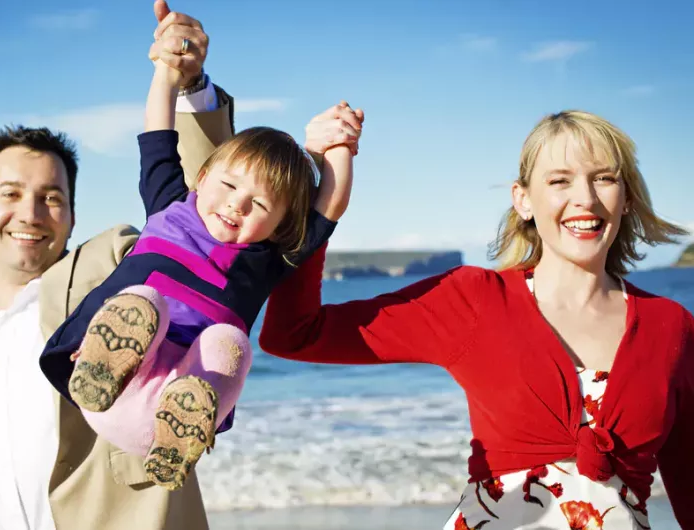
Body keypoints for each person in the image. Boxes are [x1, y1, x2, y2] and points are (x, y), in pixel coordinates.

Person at [258, 110, 694, 529]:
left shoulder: (671, 327)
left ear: (627, 199)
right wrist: (326, 200)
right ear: (523, 200)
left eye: (604, 178)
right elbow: (294, 335)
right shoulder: (473, 301)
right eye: (559, 180)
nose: (586, 198)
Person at [38, 31, 363, 492]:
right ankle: (107, 361)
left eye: (261, 205)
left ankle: (181, 429)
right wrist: (166, 74)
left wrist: (340, 150)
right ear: (204, 175)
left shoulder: (269, 259)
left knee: (229, 343)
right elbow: (157, 134)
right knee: (143, 302)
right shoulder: (167, 204)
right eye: (230, 187)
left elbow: (330, 204)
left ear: (282, 223)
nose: (238, 207)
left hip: (164, 410)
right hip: (106, 382)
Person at [0, 3, 239, 528]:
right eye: (11, 193)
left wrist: (186, 88)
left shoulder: (113, 265)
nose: (30, 213)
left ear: (72, 217)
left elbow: (203, 217)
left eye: (52, 197)